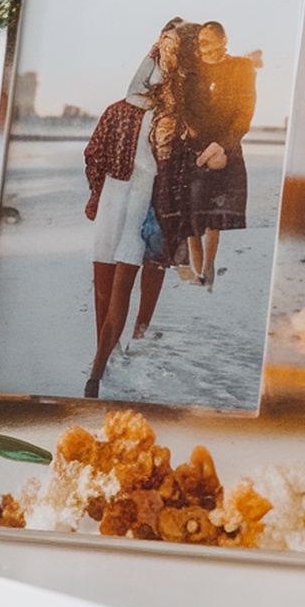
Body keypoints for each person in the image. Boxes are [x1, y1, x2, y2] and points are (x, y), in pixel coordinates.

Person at [81, 20, 185, 399]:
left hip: (118, 197)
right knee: (120, 282)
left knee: (107, 283)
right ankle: (106, 360)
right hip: (137, 199)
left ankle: (103, 362)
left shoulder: (119, 110)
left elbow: (93, 155)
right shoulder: (168, 115)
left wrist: (96, 193)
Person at [185, 22, 259, 289]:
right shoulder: (191, 69)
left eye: (207, 40)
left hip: (225, 148)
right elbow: (184, 108)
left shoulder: (240, 68)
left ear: (222, 40)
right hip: (193, 147)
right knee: (191, 213)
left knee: (214, 214)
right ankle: (198, 271)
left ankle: (208, 267)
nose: (202, 45)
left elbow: (245, 112)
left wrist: (223, 146)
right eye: (199, 40)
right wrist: (195, 144)